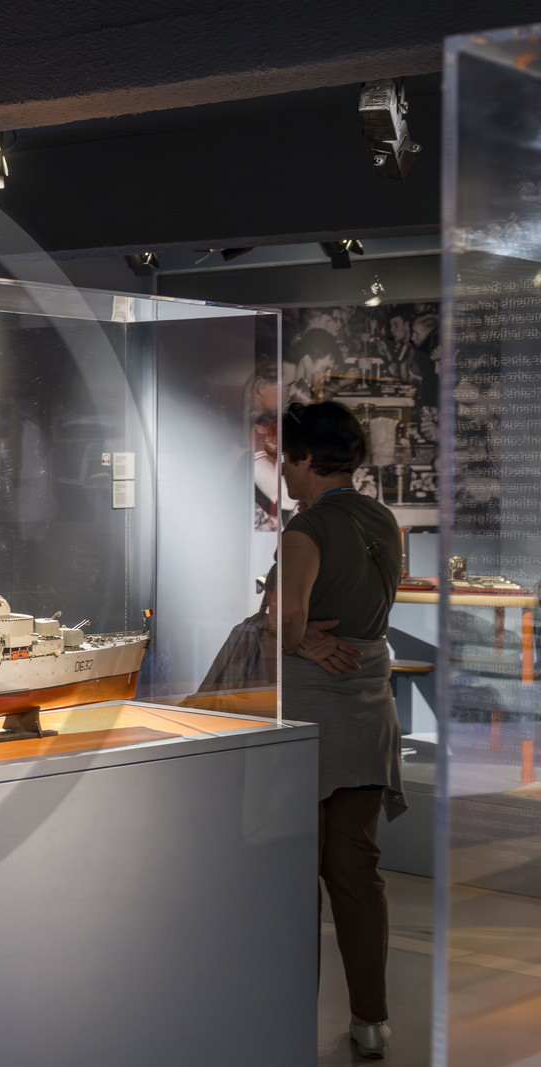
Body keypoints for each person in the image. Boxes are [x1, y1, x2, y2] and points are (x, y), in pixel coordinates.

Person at [279, 400, 406, 1060]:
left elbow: (290, 621)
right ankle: (371, 1019)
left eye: (285, 456)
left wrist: (290, 639)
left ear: (305, 459)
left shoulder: (304, 531)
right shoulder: (381, 520)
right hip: (369, 714)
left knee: (292, 871)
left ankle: (289, 1007)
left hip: (307, 721)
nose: (281, 468)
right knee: (356, 868)